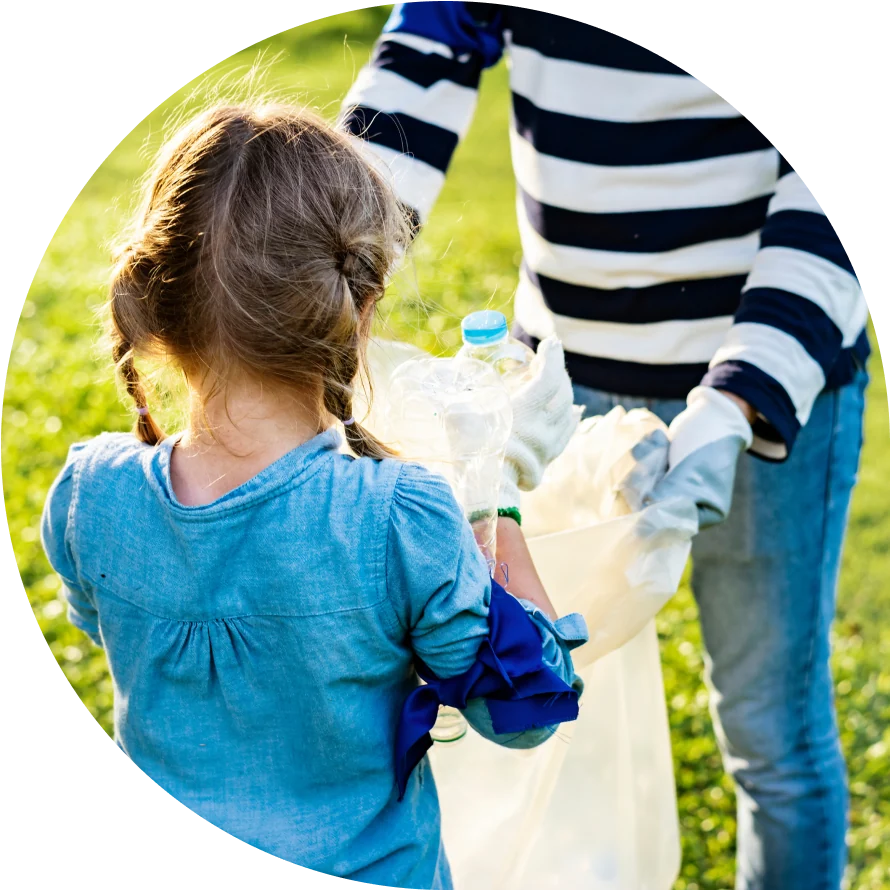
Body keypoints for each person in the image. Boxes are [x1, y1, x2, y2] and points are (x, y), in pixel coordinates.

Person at [339, 3, 870, 888]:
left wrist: (736, 406)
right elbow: (420, 70)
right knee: (530, 698)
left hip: (772, 375)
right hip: (559, 384)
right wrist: (330, 270)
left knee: (770, 728)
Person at [40, 102, 594, 890]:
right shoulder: (399, 519)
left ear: (160, 307)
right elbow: (526, 713)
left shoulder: (87, 497)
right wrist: (494, 493)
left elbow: (106, 627)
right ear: (360, 309)